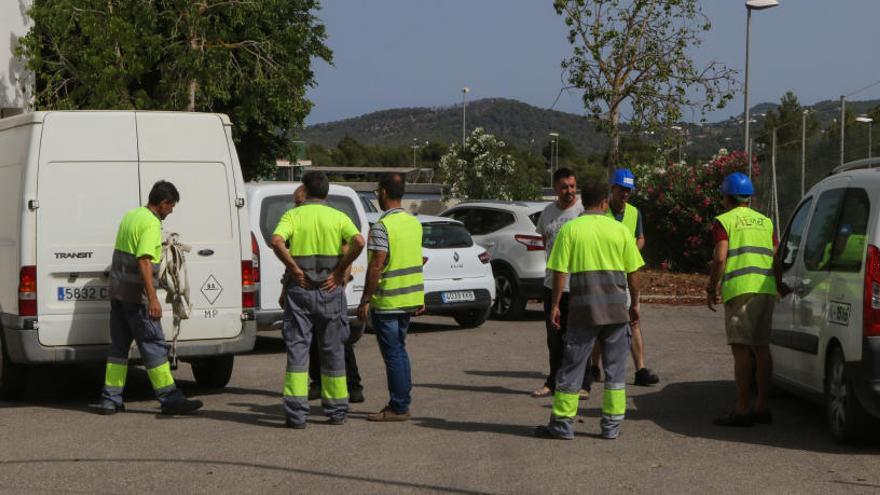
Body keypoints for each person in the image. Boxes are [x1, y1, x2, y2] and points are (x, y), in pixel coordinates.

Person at [535, 180, 644, 440]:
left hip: (583, 312)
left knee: (571, 367)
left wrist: (555, 306)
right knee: (615, 371)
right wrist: (636, 303)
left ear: (584, 202)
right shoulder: (619, 231)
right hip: (617, 311)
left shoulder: (571, 230)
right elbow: (634, 273)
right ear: (605, 203)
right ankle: (611, 427)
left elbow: (559, 271)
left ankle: (562, 425)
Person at [97, 180, 203, 415]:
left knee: (118, 348)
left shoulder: (131, 216)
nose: (172, 211)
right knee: (153, 346)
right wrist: (153, 298)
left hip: (118, 294)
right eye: (172, 206)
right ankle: (170, 398)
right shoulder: (151, 225)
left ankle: (110, 399)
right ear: (164, 203)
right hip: (138, 299)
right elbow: (144, 260)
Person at [271, 171, 365, 428]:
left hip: (299, 292)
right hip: (329, 291)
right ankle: (336, 411)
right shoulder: (338, 217)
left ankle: (296, 415)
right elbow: (358, 241)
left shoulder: (292, 215)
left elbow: (277, 241)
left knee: (298, 349)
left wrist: (294, 268)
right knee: (333, 349)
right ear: (326, 192)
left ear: (305, 189)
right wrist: (339, 270)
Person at [707, 172, 786, 427]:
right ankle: (762, 406)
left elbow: (720, 257)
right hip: (766, 289)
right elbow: (775, 255)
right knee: (762, 348)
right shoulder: (765, 222)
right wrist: (780, 284)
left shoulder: (724, 221)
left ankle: (742, 409)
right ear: (749, 197)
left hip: (741, 290)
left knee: (741, 349)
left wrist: (712, 287)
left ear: (727, 197)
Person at [358, 173, 425, 422]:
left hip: (388, 300)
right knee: (400, 350)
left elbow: (376, 266)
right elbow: (415, 260)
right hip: (409, 297)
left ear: (383, 192)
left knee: (393, 353)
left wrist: (365, 299)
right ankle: (402, 401)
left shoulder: (382, 226)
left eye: (377, 191)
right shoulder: (414, 223)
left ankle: (398, 406)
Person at [594, 168, 659, 387]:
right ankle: (594, 367)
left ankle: (640, 369)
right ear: (612, 189)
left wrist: (631, 250)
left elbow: (641, 238)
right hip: (602, 274)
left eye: (628, 190)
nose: (625, 194)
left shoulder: (634, 212)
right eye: (622, 189)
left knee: (634, 322)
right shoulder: (602, 212)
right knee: (598, 322)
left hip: (624, 273)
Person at [532, 168, 589, 399]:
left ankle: (584, 384)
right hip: (552, 285)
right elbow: (545, 241)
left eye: (573, 186)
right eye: (564, 187)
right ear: (556, 188)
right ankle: (553, 382)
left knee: (578, 337)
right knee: (554, 338)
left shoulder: (583, 212)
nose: (569, 191)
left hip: (578, 285)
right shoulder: (547, 213)